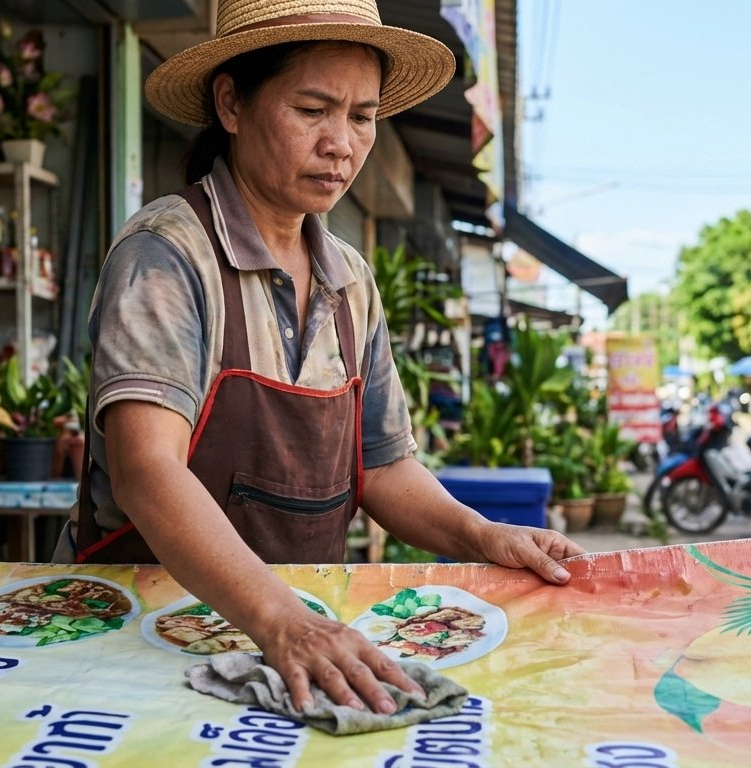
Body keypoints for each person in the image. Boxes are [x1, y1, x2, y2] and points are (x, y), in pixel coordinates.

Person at [52, 0, 584, 716]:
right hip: (139, 635)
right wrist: (280, 620)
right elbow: (149, 470)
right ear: (232, 103)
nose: (341, 143)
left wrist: (482, 534)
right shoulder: (167, 252)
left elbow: (384, 466)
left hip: (300, 638)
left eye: (362, 117)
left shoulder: (350, 280)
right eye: (312, 109)